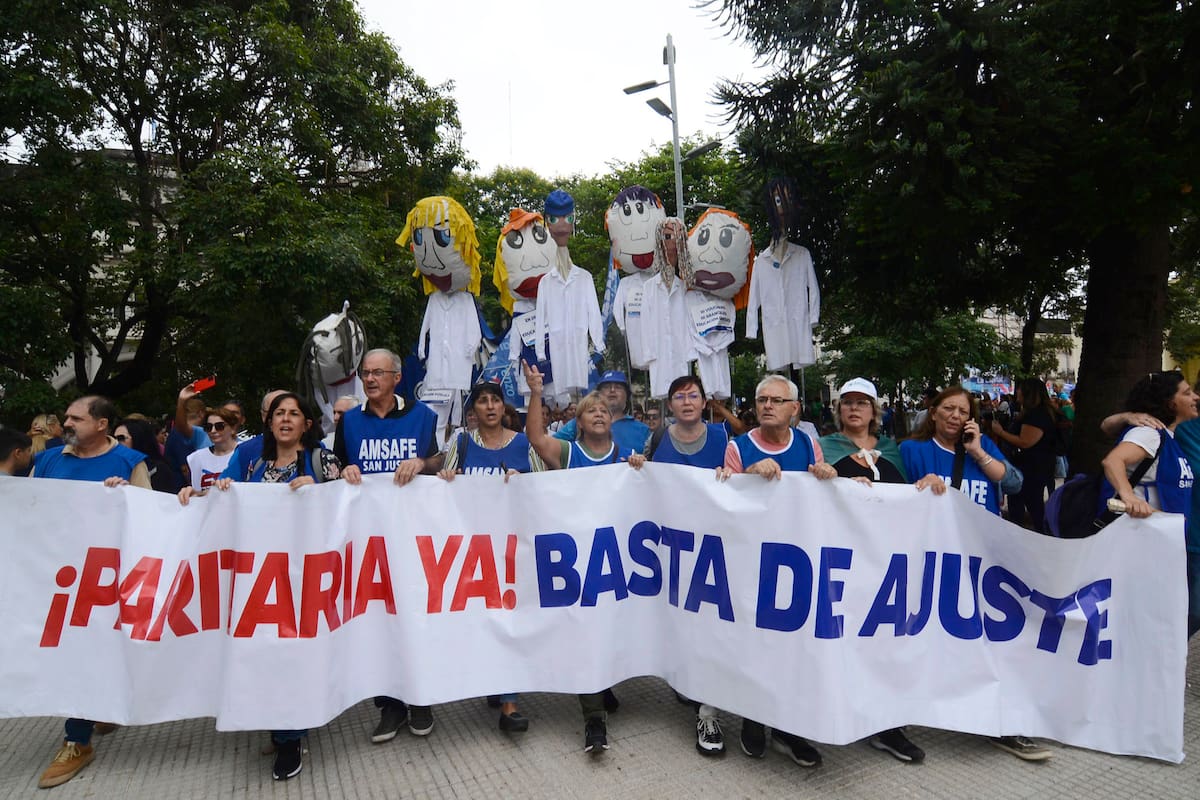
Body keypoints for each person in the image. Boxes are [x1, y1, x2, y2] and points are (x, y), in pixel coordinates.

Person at [179, 392, 340, 780]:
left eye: (294, 414)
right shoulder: (254, 462)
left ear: (306, 423)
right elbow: (223, 502)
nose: (286, 419)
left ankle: (289, 738)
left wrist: (324, 488)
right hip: (258, 580)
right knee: (266, 653)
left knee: (293, 655)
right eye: (279, 413)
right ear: (269, 423)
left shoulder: (323, 461)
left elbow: (344, 512)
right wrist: (194, 495)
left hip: (303, 580)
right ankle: (280, 725)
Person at [899, 387, 1047, 761]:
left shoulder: (980, 451)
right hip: (935, 566)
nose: (954, 415)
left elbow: (1012, 484)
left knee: (993, 645)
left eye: (962, 410)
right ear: (932, 413)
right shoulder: (913, 451)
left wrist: (979, 449)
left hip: (984, 566)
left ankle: (1001, 724)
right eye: (947, 408)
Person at [30, 396, 151, 789]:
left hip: (107, 581)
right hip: (60, 578)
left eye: (75, 418)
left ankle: (80, 734)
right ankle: (78, 735)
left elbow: (150, 519)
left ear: (101, 424)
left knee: (104, 646)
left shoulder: (129, 463)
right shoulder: (48, 460)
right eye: (67, 417)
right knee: (75, 651)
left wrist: (123, 500)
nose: (66, 422)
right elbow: (29, 510)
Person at [715, 374, 835, 768]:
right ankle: (754, 717)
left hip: (798, 561)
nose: (767, 405)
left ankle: (788, 729)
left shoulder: (806, 443)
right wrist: (748, 475)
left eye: (776, 400)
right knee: (755, 644)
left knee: (794, 648)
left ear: (794, 409)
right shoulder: (738, 446)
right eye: (762, 399)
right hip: (753, 563)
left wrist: (827, 476)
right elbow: (723, 501)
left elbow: (822, 496)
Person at [524, 359, 637, 753]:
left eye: (604, 410)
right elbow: (536, 439)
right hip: (578, 563)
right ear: (580, 421)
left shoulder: (625, 457)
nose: (600, 415)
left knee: (609, 628)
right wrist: (537, 393)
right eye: (592, 411)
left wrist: (640, 469)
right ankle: (594, 721)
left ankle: (602, 683)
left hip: (614, 561)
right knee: (586, 632)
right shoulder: (569, 452)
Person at [333, 348, 443, 744]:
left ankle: (421, 698)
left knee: (413, 613)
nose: (370, 379)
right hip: (367, 539)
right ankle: (389, 705)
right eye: (365, 373)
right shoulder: (350, 422)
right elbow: (337, 469)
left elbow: (439, 460)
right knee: (376, 618)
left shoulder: (423, 416)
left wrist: (422, 464)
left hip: (411, 535)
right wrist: (342, 470)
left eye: (378, 372)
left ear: (397, 377)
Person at [819, 379, 924, 763]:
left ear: (874, 410)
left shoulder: (894, 450)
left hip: (887, 561)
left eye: (862, 403)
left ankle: (887, 726)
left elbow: (912, 495)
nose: (854, 409)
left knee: (885, 639)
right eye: (847, 403)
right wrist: (839, 482)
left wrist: (927, 486)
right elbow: (808, 492)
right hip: (844, 559)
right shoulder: (824, 448)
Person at [627, 375, 729, 755]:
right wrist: (638, 466)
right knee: (679, 620)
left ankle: (709, 711)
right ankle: (687, 680)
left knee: (711, 624)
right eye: (679, 396)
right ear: (670, 405)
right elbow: (644, 483)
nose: (686, 402)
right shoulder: (658, 439)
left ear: (704, 402)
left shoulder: (723, 440)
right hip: (672, 551)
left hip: (716, 550)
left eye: (693, 395)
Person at [439, 380, 545, 733]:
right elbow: (443, 489)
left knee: (508, 619)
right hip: (473, 551)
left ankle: (510, 703)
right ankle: (496, 683)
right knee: (483, 620)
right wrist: (447, 477)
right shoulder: (463, 443)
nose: (489, 406)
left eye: (495, 401)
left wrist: (524, 480)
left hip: (511, 552)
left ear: (503, 407)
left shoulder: (523, 444)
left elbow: (545, 487)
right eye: (482, 401)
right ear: (474, 410)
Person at [989, 378, 1058, 530]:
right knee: (1026, 503)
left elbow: (1025, 441)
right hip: (1033, 466)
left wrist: (1001, 432)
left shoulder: (1036, 415)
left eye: (1019, 389)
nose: (1016, 392)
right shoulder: (1037, 413)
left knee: (1030, 504)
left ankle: (1035, 532)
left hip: (1030, 468)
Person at [552, 370, 651, 455]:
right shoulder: (581, 422)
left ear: (627, 395)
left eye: (618, 387)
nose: (612, 390)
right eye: (607, 387)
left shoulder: (643, 430)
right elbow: (551, 446)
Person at [185, 407, 240, 490]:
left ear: (233, 428)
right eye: (208, 427)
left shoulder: (245, 452)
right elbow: (197, 491)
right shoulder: (196, 458)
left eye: (219, 426)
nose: (213, 431)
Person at [115, 418, 175, 493]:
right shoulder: (114, 466)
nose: (116, 443)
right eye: (113, 438)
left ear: (137, 438)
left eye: (121, 438)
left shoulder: (159, 470)